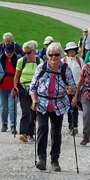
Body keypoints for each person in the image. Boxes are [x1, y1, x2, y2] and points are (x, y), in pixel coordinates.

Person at [29, 42, 76, 172]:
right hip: (42, 103)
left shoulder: (65, 68)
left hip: (58, 104)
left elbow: (73, 87)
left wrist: (71, 90)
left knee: (56, 133)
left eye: (56, 55)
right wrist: (34, 101)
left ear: (60, 55)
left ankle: (55, 160)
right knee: (42, 128)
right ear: (47, 55)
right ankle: (42, 158)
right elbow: (33, 87)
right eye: (51, 55)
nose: (53, 57)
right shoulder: (41, 68)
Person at [13, 40, 40, 143]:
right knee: (25, 111)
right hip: (23, 88)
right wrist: (15, 88)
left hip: (35, 90)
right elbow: (16, 76)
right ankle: (23, 132)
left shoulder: (39, 61)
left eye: (28, 52)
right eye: (25, 53)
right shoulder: (21, 61)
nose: (26, 55)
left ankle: (31, 133)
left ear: (34, 51)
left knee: (33, 111)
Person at [0, 43, 20, 134]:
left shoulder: (17, 59)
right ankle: (4, 124)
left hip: (13, 87)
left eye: (11, 52)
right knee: (3, 106)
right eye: (7, 52)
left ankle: (13, 125)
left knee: (12, 106)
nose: (9, 54)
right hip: (2, 86)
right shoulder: (0, 59)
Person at [63, 42, 83, 136]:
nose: (72, 51)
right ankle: (70, 125)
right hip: (66, 88)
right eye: (70, 50)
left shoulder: (80, 61)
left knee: (74, 107)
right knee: (68, 108)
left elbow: (83, 74)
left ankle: (74, 125)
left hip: (77, 88)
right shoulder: (64, 61)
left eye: (73, 50)